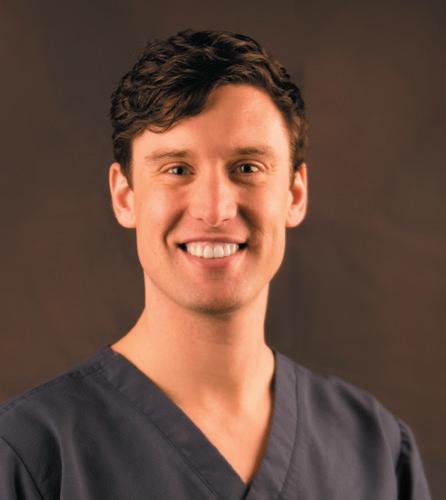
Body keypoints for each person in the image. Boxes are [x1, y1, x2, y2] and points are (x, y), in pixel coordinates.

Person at [0, 29, 431, 499]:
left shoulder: (376, 451)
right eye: (177, 169)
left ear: (294, 194)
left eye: (247, 168)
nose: (214, 209)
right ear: (124, 197)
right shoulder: (31, 455)